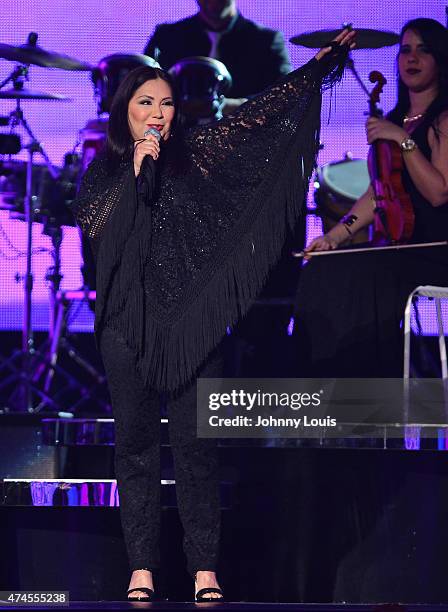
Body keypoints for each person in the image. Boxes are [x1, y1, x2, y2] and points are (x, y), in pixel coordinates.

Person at [72, 29, 355, 602]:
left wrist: (316, 70)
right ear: (123, 110)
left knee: (197, 448)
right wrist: (136, 173)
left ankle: (204, 569)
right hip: (128, 330)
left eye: (167, 102)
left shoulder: (196, 161)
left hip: (192, 328)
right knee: (135, 447)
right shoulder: (99, 176)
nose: (157, 114)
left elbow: (258, 123)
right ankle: (141, 568)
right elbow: (112, 246)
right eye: (144, 103)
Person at [295, 18, 448, 378]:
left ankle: (374, 393)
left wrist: (402, 140)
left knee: (366, 274)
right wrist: (335, 236)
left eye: (424, 50)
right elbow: (379, 193)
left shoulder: (442, 120)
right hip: (396, 247)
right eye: (406, 50)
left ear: (440, 60)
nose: (412, 58)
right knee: (321, 269)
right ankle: (321, 384)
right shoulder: (394, 118)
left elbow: (438, 192)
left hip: (433, 250)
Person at [143, 0, 292, 114]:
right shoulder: (167, 37)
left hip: (245, 142)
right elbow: (140, 89)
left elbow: (286, 95)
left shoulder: (266, 41)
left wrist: (237, 105)